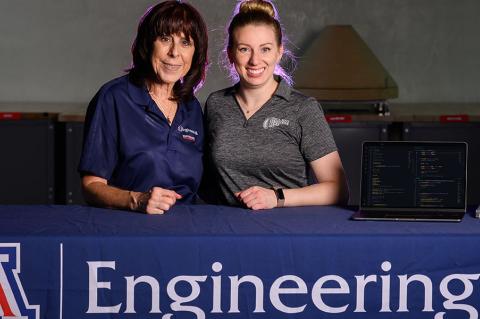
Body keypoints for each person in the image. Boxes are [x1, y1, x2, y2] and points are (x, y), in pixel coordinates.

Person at [203, 0, 348, 209]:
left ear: (279, 52)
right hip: (228, 230)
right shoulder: (216, 104)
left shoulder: (303, 109)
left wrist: (276, 197)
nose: (255, 60)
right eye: (244, 49)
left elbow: (339, 189)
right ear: (230, 53)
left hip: (286, 230)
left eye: (265, 49)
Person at [78, 1, 208, 214]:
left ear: (195, 53)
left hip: (186, 231)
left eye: (185, 42)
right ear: (148, 44)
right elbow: (91, 186)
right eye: (165, 39)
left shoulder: (191, 107)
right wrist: (136, 200)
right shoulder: (114, 98)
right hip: (129, 230)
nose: (174, 52)